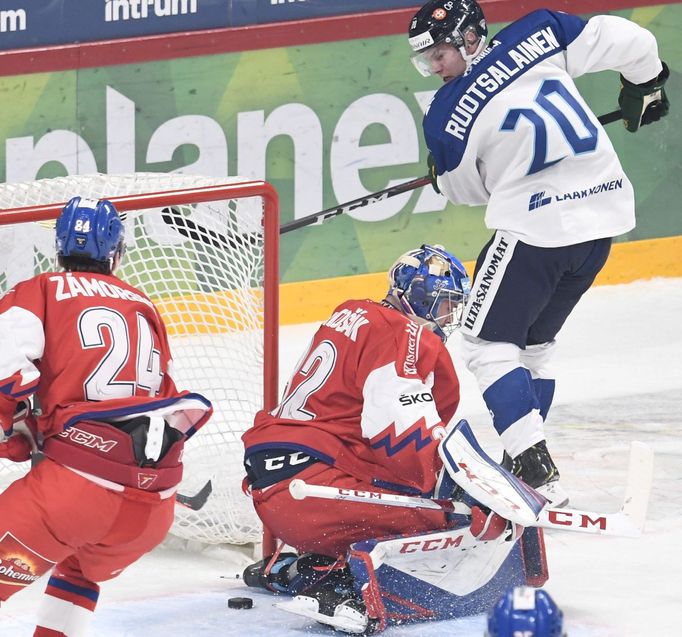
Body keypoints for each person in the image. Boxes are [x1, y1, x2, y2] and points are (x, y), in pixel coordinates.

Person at [407, 0, 669, 505]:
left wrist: (441, 175)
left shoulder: (445, 114)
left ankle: (533, 465)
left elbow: (468, 191)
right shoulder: (541, 32)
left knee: (484, 342)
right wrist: (646, 83)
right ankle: (525, 459)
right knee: (533, 345)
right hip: (602, 220)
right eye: (426, 59)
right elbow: (634, 43)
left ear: (468, 38)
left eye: (440, 53)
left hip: (537, 230)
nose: (436, 67)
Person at [0, 196, 212, 636]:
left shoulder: (38, 290)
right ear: (116, 252)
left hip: (72, 497)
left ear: (58, 247)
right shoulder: (144, 304)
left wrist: (13, 431)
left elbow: (5, 375)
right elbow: (164, 395)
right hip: (151, 510)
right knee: (79, 571)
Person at [241, 245, 476, 609]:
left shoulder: (350, 313)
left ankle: (294, 565)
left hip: (271, 489)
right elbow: (401, 433)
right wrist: (457, 485)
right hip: (319, 495)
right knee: (449, 518)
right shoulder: (404, 334)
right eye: (446, 303)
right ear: (420, 297)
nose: (449, 316)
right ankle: (335, 578)